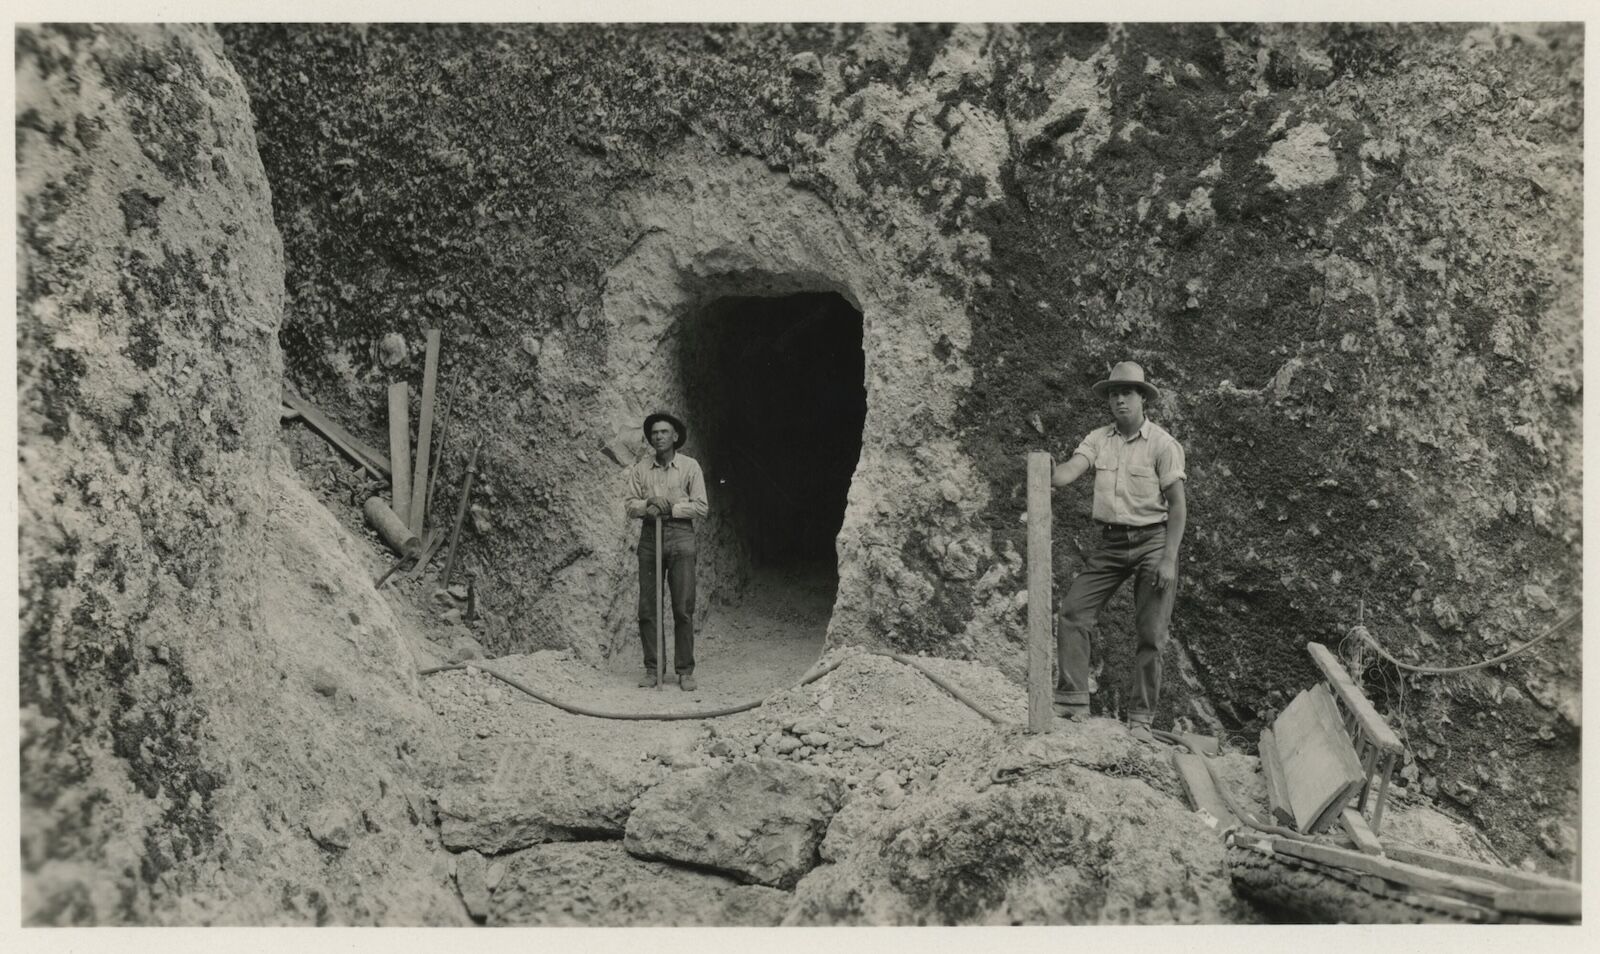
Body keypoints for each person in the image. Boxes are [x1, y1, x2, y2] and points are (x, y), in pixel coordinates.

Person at [1050, 361, 1187, 742]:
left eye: (1127, 392)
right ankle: (1072, 701)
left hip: (1153, 542)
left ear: (1142, 398)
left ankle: (1141, 718)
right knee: (1073, 611)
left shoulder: (1163, 445)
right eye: (1113, 394)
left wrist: (1168, 559)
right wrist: (1048, 472)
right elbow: (1070, 470)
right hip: (1112, 543)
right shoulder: (1098, 439)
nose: (1119, 400)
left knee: (1151, 634)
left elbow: (1178, 506)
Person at [623, 412, 709, 691]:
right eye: (654, 433)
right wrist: (649, 502)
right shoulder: (641, 469)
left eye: (664, 432)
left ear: (675, 436)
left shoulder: (690, 467)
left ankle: (684, 671)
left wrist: (672, 507)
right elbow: (630, 505)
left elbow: (701, 507)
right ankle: (653, 668)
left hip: (681, 537)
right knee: (648, 608)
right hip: (651, 537)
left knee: (683, 607)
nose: (658, 437)